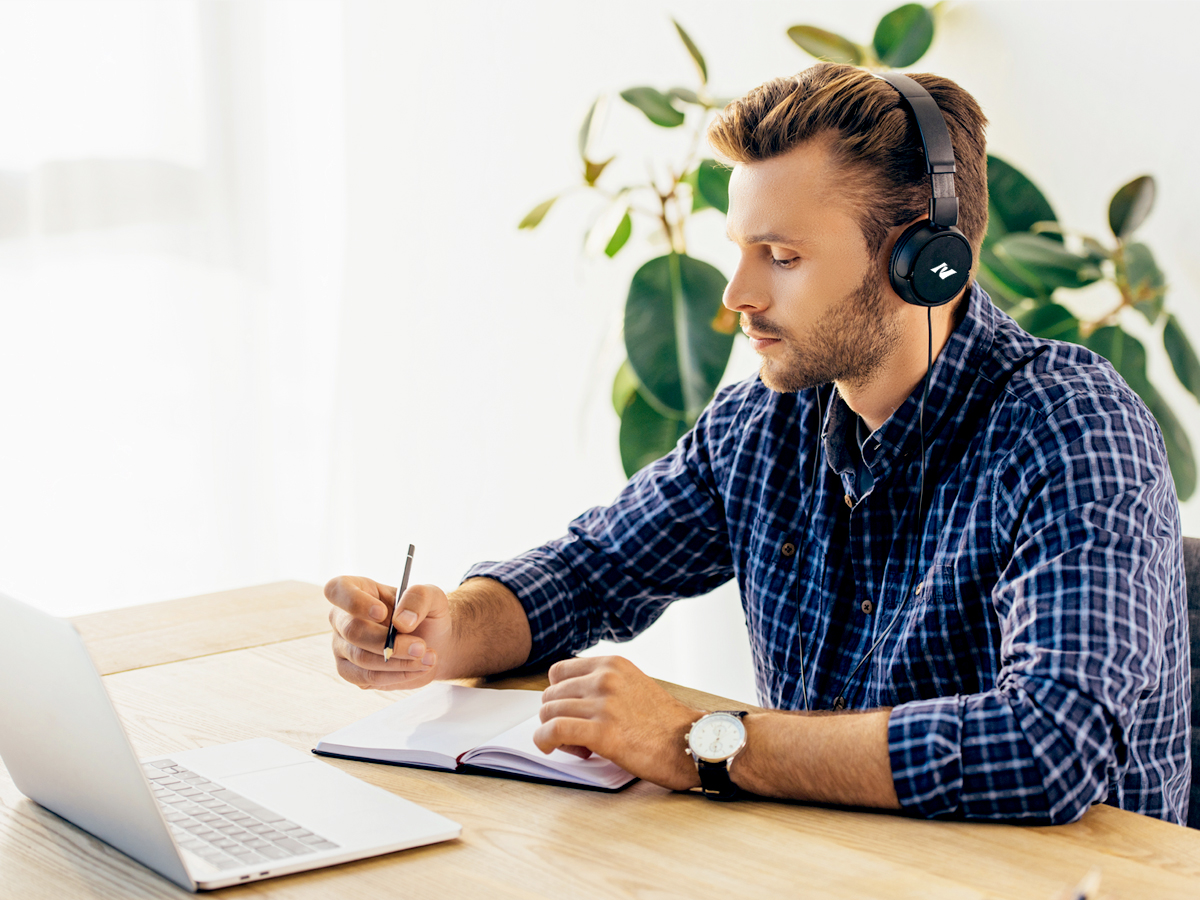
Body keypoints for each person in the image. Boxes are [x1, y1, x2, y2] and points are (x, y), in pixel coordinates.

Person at [325, 64, 1190, 825]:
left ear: (925, 264)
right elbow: (589, 573)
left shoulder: (1071, 427)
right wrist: (444, 633)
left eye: (779, 256)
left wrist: (701, 744)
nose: (736, 293)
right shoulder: (765, 423)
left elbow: (1051, 745)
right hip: (833, 865)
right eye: (739, 249)